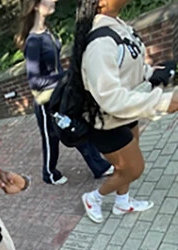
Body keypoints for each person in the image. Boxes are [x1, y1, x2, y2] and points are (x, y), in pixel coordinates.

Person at [72, 0, 178, 222]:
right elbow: (110, 97)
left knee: (127, 164)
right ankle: (93, 197)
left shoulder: (117, 24)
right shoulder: (99, 43)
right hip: (107, 122)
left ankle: (122, 203)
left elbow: (126, 65)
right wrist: (163, 101)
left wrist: (151, 73)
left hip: (126, 113)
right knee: (134, 168)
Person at [16, 0, 114, 185]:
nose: (53, 0)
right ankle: (48, 173)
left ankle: (99, 166)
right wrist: (64, 78)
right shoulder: (33, 41)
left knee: (74, 127)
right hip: (47, 102)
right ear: (35, 5)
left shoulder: (47, 31)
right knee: (51, 138)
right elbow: (34, 81)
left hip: (61, 95)